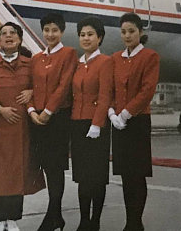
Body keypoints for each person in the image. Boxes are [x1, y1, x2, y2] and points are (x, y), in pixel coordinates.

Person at [0, 22, 46, 231]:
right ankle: (0, 220)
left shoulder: (31, 64)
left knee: (18, 175)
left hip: (22, 130)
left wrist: (32, 92)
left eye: (13, 34)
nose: (8, 37)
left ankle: (14, 219)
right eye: (4, 34)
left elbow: (42, 87)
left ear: (19, 39)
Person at [109, 12, 160, 231]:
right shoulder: (115, 58)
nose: (127, 36)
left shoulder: (150, 57)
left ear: (140, 32)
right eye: (123, 32)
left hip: (137, 121)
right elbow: (110, 88)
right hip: (118, 123)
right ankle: (130, 221)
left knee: (137, 174)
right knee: (126, 175)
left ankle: (135, 223)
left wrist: (125, 114)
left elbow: (147, 90)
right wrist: (112, 113)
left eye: (131, 31)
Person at [28, 13, 77, 231]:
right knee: (46, 166)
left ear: (62, 31)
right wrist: (32, 111)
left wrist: (48, 111)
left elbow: (64, 86)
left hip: (57, 118)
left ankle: (53, 214)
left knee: (55, 167)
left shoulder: (69, 54)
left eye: (55, 30)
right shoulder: (37, 58)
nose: (50, 34)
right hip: (37, 119)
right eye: (46, 30)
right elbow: (30, 87)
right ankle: (55, 216)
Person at [71, 16, 113, 230]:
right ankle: (83, 220)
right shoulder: (78, 64)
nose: (86, 38)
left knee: (96, 177)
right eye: (82, 35)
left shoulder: (105, 62)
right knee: (82, 177)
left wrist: (97, 124)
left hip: (96, 126)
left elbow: (105, 95)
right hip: (77, 124)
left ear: (100, 37)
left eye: (90, 34)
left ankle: (94, 222)